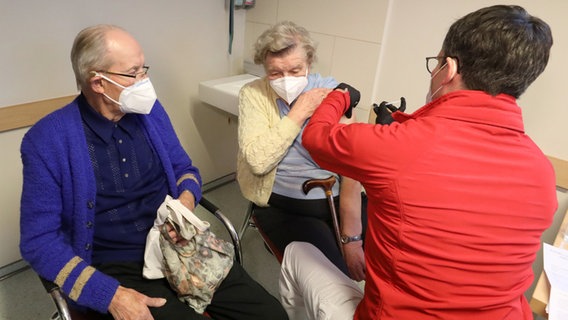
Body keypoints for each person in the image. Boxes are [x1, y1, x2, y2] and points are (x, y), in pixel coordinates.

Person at [281, 5, 557, 319]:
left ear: (449, 68)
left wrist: (340, 95)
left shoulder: (398, 146)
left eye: (435, 63)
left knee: (296, 253)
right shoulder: (542, 172)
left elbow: (315, 137)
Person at [19, 24, 287, 320]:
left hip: (176, 244)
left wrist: (184, 204)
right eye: (133, 73)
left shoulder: (151, 113)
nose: (144, 81)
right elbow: (39, 240)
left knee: (272, 315)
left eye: (144, 69)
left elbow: (185, 170)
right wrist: (110, 295)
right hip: (113, 267)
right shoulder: (47, 140)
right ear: (98, 82)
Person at [237, 20, 367, 280]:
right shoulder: (253, 94)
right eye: (275, 73)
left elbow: (351, 165)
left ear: (309, 63)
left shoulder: (331, 93)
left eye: (296, 70)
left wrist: (351, 237)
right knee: (336, 278)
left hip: (338, 198)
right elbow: (258, 161)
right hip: (286, 204)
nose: (286, 80)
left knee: (387, 258)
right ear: (264, 68)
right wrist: (299, 112)